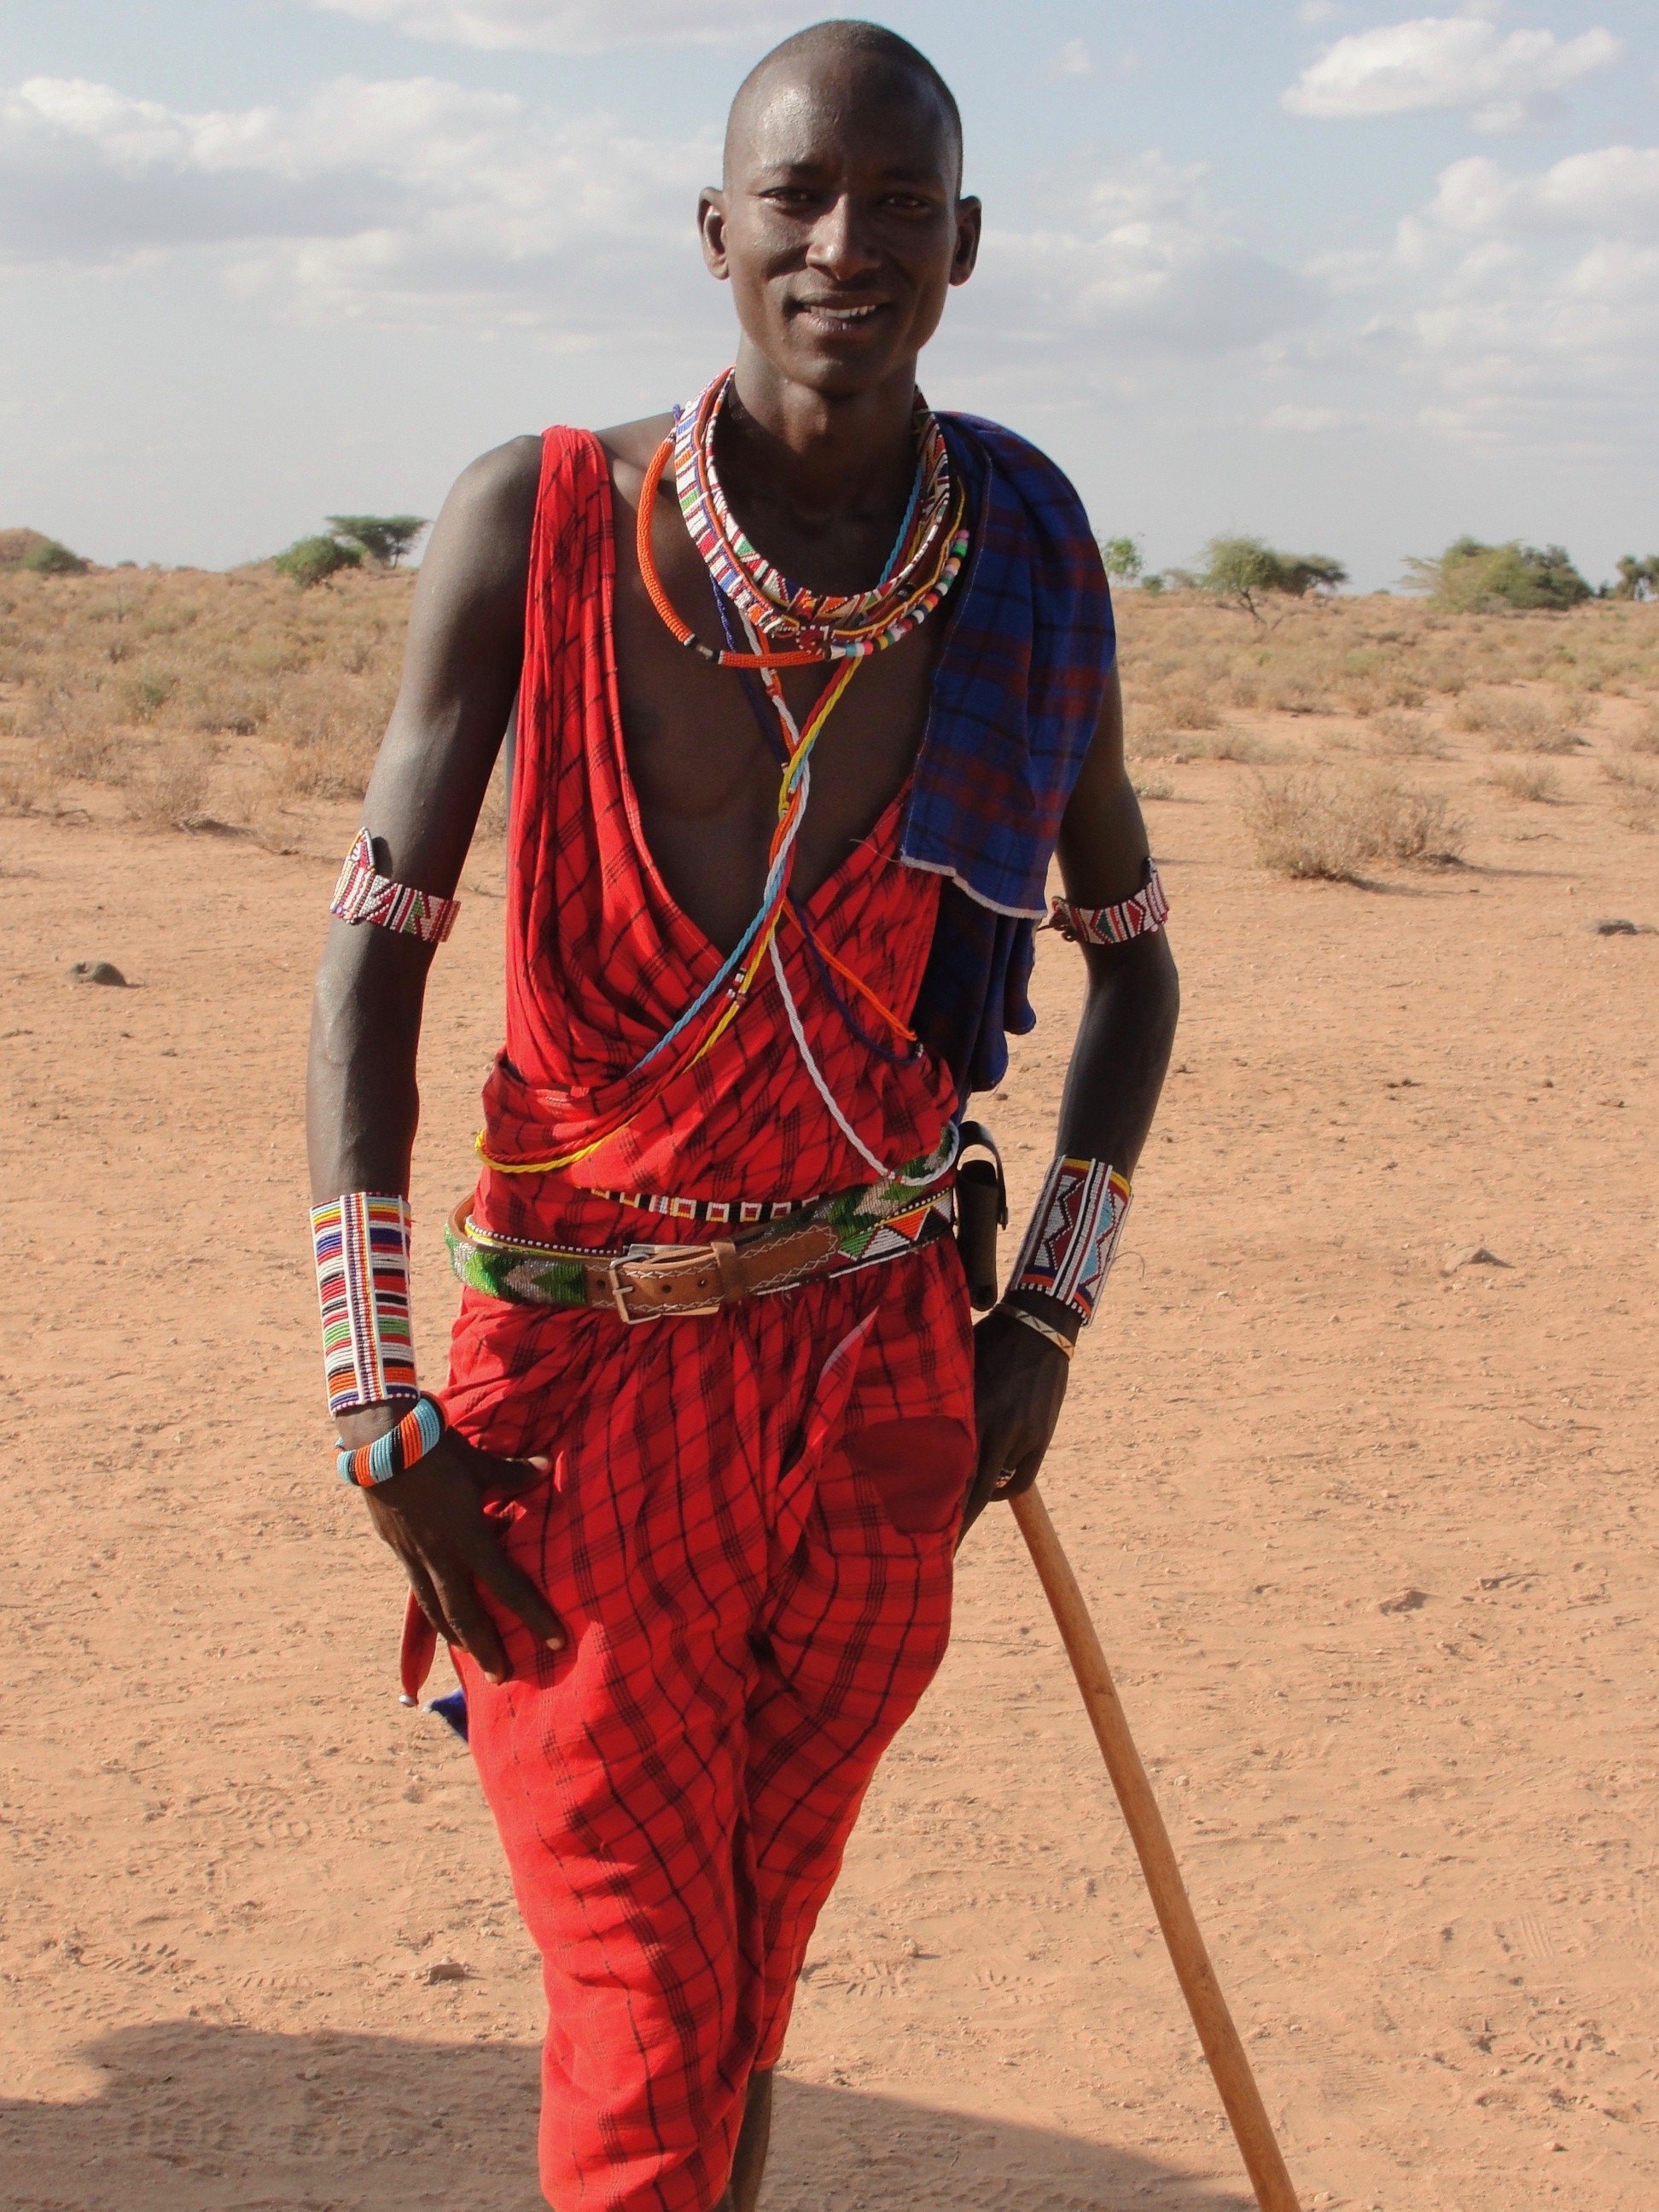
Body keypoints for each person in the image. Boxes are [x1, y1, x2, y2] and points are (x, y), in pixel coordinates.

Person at [306, 20, 1179, 2212]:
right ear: (719, 231)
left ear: (964, 246)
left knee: (744, 1983)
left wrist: (1043, 1326)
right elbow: (374, 953)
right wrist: (372, 1399)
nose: (844, 244)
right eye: (798, 197)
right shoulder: (543, 523)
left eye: (900, 206)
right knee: (640, 2008)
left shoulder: (1029, 555)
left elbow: (1136, 963)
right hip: (575, 1390)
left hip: (880, 1384)